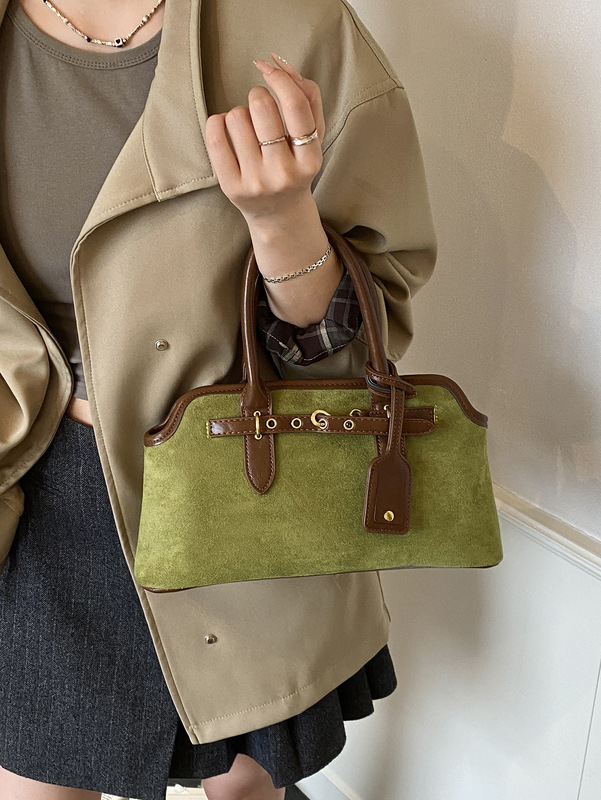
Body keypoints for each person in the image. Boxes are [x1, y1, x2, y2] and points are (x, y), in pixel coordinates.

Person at [0, 0, 437, 798]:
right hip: (30, 494)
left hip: (237, 478)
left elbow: (362, 342)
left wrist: (282, 222)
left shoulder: (295, 27)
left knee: (241, 784)